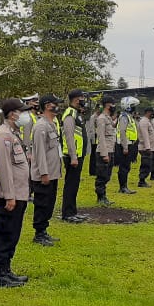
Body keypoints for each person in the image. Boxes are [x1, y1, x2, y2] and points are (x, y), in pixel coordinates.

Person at [0, 98, 30, 287]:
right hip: (10, 194)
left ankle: (7, 269)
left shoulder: (14, 134)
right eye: (20, 111)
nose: (24, 115)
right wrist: (9, 195)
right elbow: (4, 168)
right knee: (6, 233)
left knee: (13, 233)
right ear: (11, 113)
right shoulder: (3, 135)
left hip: (19, 193)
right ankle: (0, 274)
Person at [31, 95, 63, 246]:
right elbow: (40, 152)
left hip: (53, 172)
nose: (57, 106)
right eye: (54, 104)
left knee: (49, 204)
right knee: (42, 204)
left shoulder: (51, 124)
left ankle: (43, 230)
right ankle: (38, 233)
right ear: (46, 105)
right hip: (45, 174)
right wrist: (44, 173)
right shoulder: (41, 126)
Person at [60, 89, 86, 223]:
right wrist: (73, 156)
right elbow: (69, 136)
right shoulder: (70, 114)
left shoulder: (76, 113)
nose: (84, 100)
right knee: (70, 185)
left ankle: (73, 211)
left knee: (74, 184)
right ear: (76, 99)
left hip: (78, 154)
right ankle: (67, 213)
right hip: (72, 156)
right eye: (82, 97)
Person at [94, 96, 116, 206]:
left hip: (110, 149)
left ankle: (104, 196)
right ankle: (100, 197)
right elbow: (101, 137)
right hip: (104, 151)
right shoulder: (102, 118)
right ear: (108, 105)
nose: (114, 106)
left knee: (107, 175)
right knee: (102, 175)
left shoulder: (108, 118)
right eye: (113, 104)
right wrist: (104, 154)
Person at [115, 97, 139, 194]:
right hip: (125, 145)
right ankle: (123, 187)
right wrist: (125, 147)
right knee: (124, 167)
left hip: (130, 144)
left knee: (127, 166)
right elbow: (122, 131)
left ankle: (124, 186)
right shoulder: (124, 117)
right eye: (133, 106)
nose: (135, 108)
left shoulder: (129, 116)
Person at [137, 106, 154, 188]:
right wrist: (148, 147)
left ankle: (143, 180)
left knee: (147, 164)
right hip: (145, 147)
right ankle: (142, 181)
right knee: (146, 164)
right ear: (148, 112)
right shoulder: (144, 122)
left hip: (147, 147)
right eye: (151, 112)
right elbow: (145, 135)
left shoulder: (147, 121)